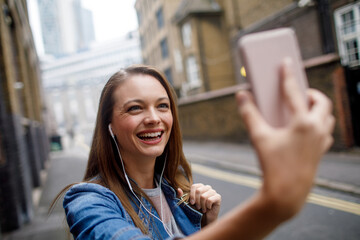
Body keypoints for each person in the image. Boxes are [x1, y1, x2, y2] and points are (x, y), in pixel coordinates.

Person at [59, 61, 334, 240]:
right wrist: (271, 205)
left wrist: (209, 224)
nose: (154, 117)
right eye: (135, 108)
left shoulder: (176, 189)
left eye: (162, 106)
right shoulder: (88, 201)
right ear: (110, 126)